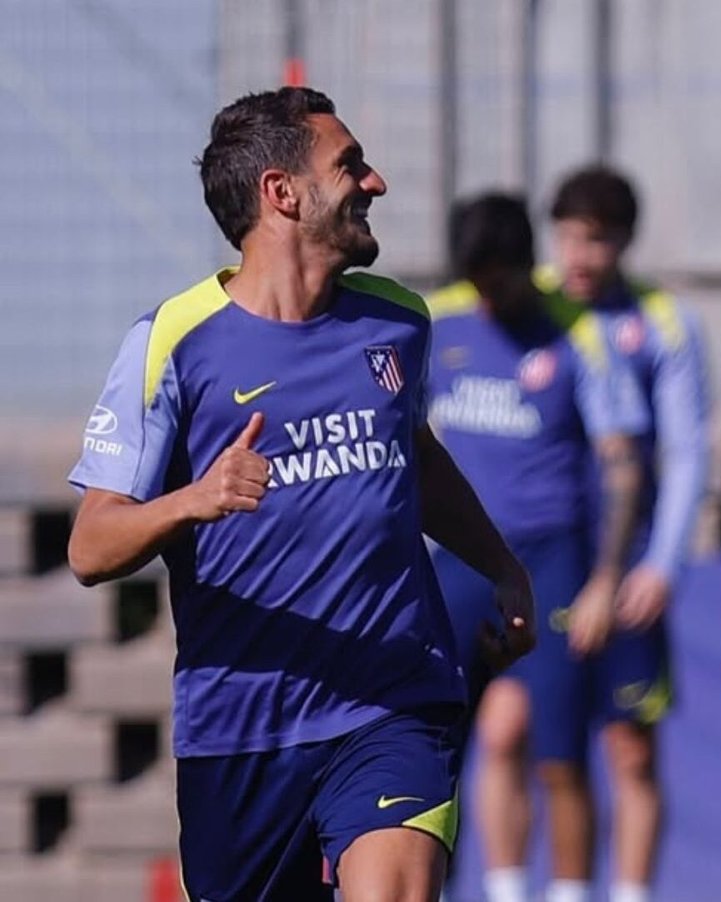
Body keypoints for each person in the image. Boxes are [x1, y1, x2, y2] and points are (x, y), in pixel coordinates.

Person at [65, 87, 534, 902]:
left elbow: (412, 457)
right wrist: (193, 499)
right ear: (282, 193)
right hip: (240, 729)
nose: (376, 182)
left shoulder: (399, 323)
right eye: (349, 165)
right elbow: (89, 548)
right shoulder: (171, 342)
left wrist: (502, 566)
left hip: (392, 698)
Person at [425, 192, 649, 902]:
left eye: (502, 279)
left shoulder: (576, 335)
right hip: (458, 563)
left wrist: (607, 579)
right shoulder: (436, 324)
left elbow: (622, 461)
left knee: (560, 756)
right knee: (441, 750)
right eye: (478, 281)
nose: (490, 296)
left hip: (552, 561)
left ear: (528, 265)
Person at [532, 164, 710, 902]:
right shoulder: (531, 309)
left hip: (628, 562)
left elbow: (687, 449)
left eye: (597, 240)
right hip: (546, 558)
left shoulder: (662, 323)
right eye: (569, 236)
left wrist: (662, 565)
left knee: (630, 750)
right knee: (535, 743)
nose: (579, 255)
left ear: (626, 242)